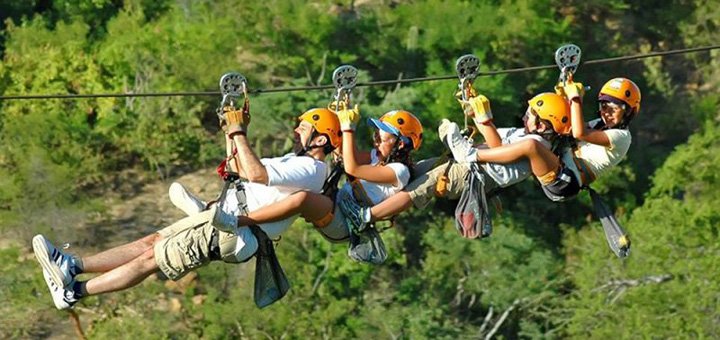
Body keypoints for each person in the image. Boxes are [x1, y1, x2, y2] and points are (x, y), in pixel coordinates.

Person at [32, 107, 342, 310]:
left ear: (322, 138)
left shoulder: (310, 169)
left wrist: (239, 133)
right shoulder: (293, 161)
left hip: (233, 231)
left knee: (150, 259)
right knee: (150, 244)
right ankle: (72, 265)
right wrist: (230, 132)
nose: (295, 132)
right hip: (222, 220)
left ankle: (74, 292)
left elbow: (257, 174)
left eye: (303, 128)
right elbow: (239, 167)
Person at [339, 92, 571, 230]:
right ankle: (464, 152)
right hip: (472, 164)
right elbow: (496, 142)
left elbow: (499, 150)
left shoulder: (538, 146)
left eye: (529, 114)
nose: (524, 115)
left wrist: (476, 141)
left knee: (424, 185)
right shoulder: (525, 134)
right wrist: (477, 112)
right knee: (420, 169)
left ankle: (365, 218)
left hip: (478, 174)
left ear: (541, 124)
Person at [210, 107, 424, 245]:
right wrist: (339, 113)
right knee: (292, 187)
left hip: (344, 223)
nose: (376, 138)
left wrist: (348, 128)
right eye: (377, 132)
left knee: (303, 198)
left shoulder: (399, 171)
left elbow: (353, 168)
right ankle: (221, 212)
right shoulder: (375, 157)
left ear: (401, 143)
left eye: (383, 134)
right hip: (336, 206)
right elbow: (342, 152)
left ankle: (238, 221)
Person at [445, 77, 641, 201]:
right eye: (604, 106)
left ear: (630, 112)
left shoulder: (621, 137)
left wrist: (575, 99)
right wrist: (563, 94)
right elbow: (571, 127)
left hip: (564, 182)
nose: (607, 112)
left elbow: (580, 133)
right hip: (558, 164)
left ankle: (470, 155)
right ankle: (476, 128)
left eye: (615, 108)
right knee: (516, 139)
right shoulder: (601, 123)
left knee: (530, 145)